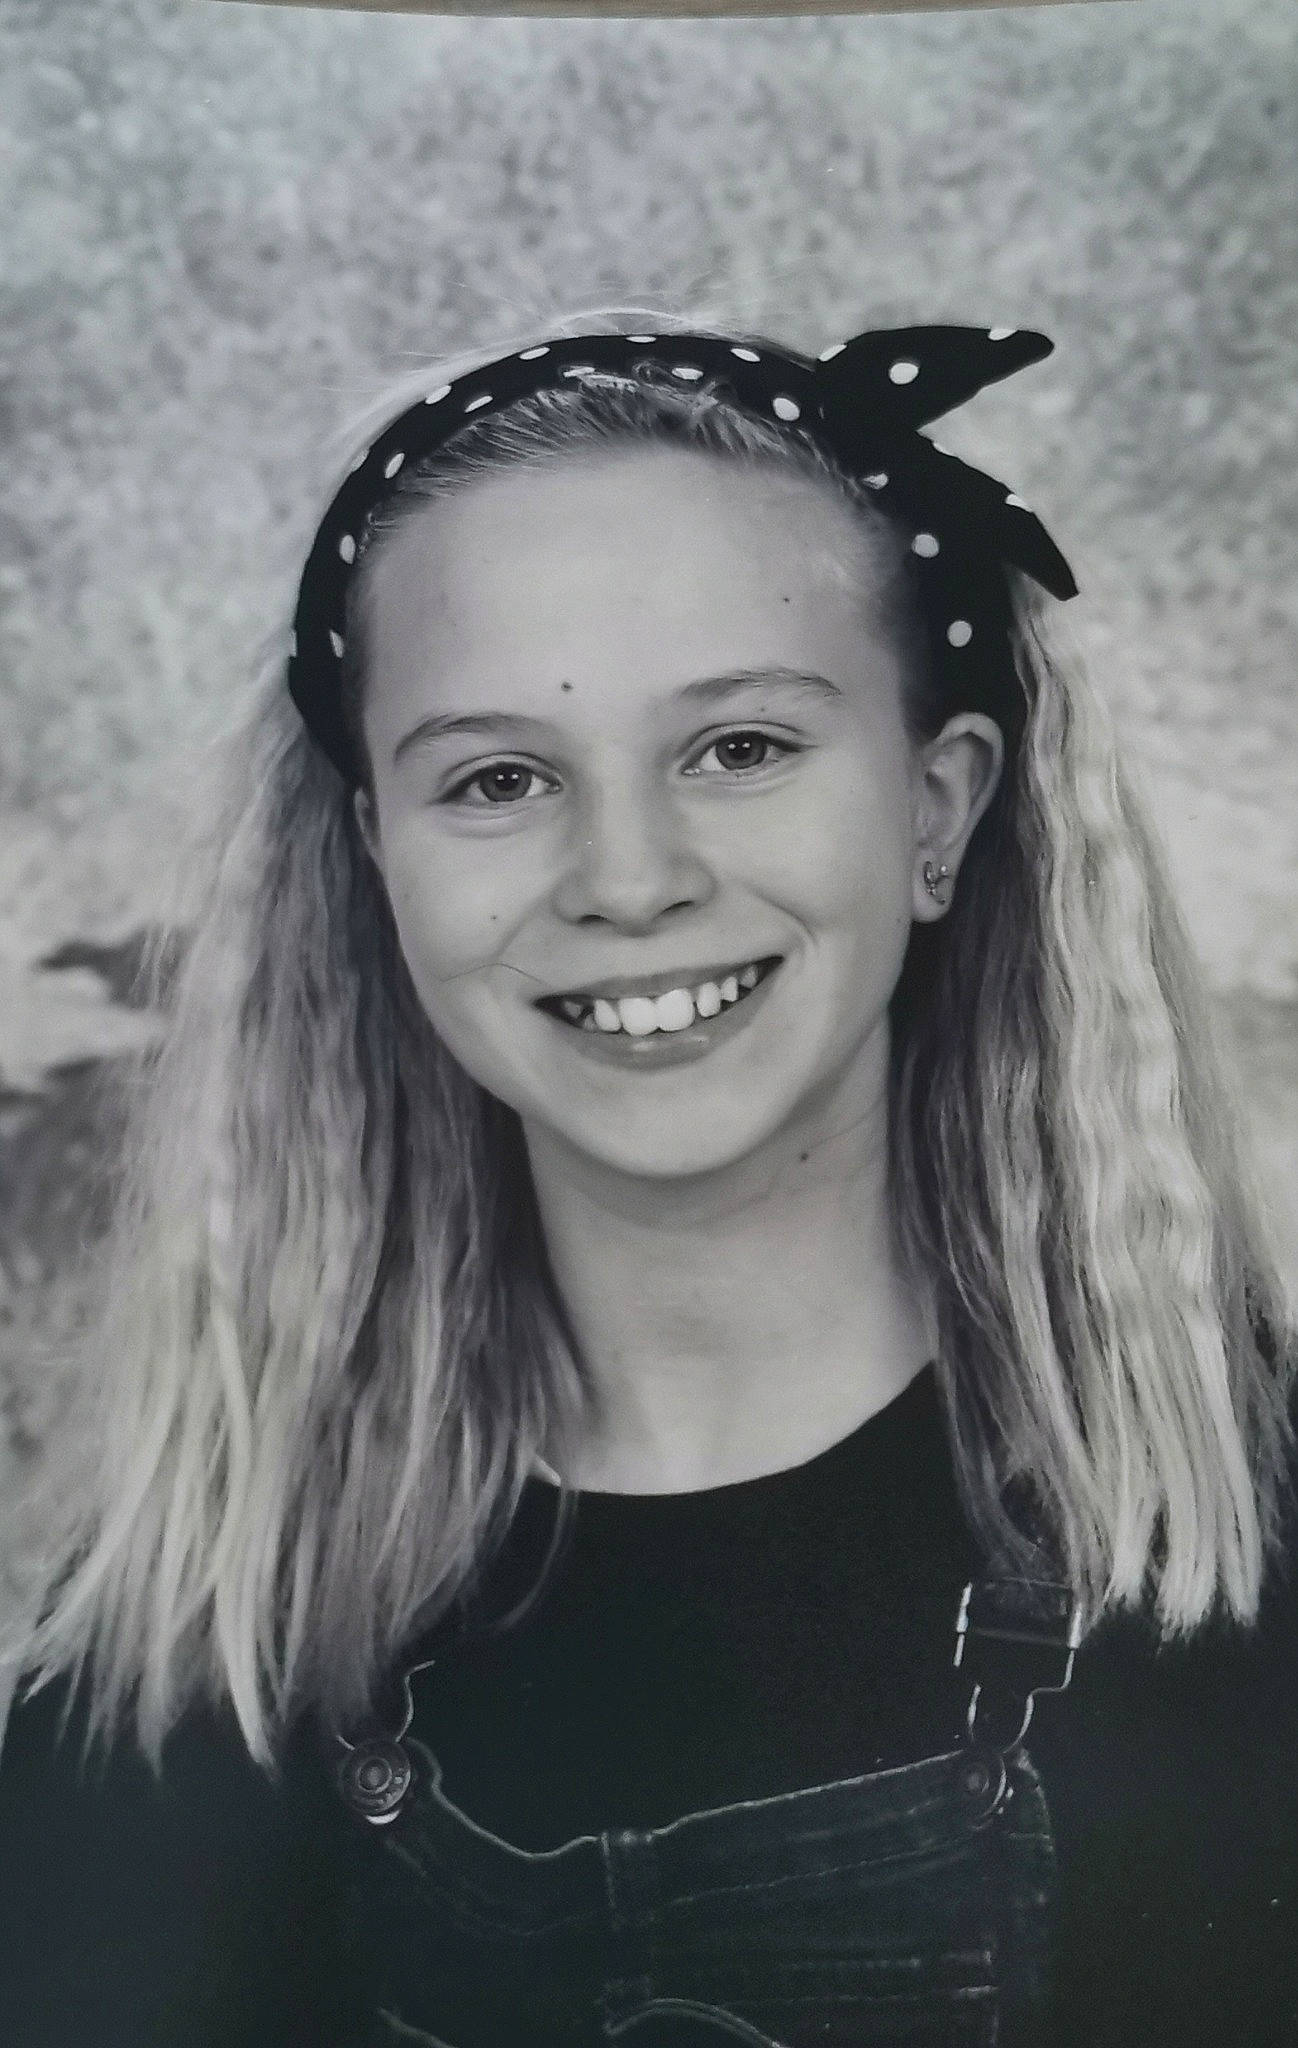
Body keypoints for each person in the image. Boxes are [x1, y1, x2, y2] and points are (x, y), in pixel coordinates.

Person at [0, 309, 1295, 2048]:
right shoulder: (181, 1660)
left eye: (740, 747)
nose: (625, 877)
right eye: (500, 778)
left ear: (936, 806)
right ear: (378, 851)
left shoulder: (1248, 1548)